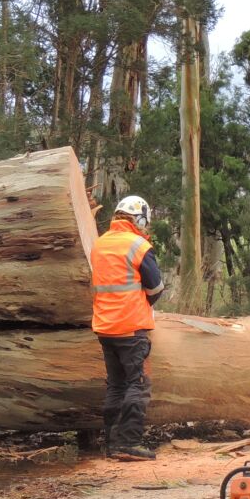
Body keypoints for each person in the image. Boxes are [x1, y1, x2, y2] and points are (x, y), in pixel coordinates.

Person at [90, 195, 164, 461]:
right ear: (139, 218)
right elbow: (155, 287)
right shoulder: (138, 245)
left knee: (116, 386)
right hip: (131, 327)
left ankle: (111, 442)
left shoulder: (99, 244)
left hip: (105, 327)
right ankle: (129, 442)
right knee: (138, 383)